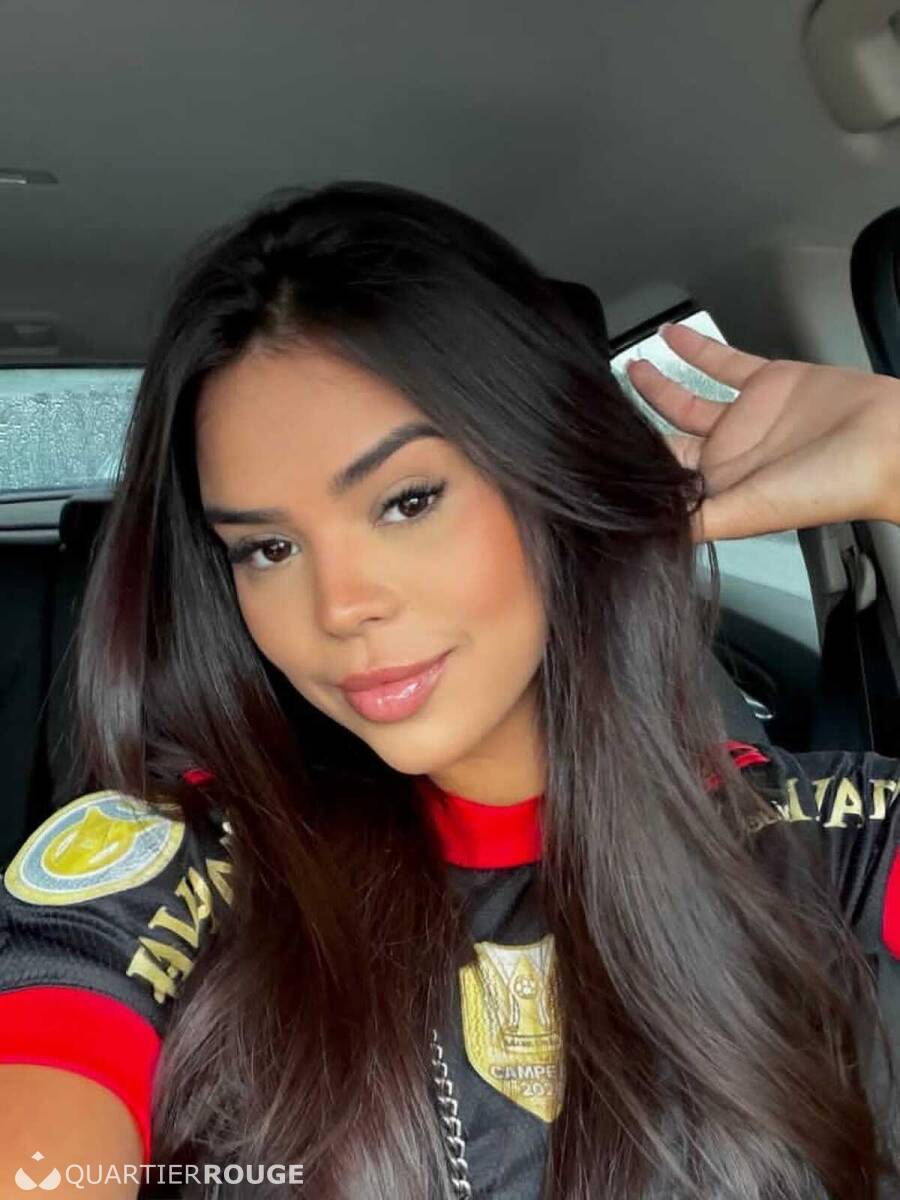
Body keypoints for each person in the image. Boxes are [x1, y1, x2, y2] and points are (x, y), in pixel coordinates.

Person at [2, 180, 900, 1200]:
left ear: (551, 478)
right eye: (268, 549)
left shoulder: (822, 839)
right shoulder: (173, 868)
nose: (340, 606)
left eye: (407, 501)